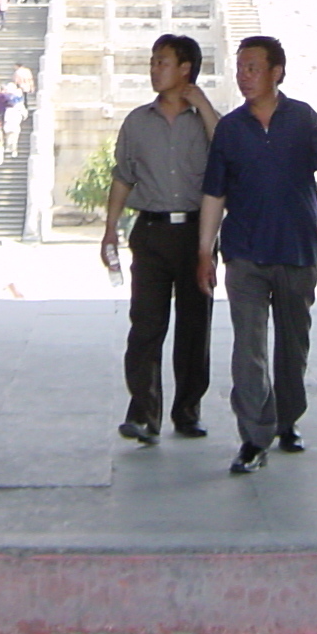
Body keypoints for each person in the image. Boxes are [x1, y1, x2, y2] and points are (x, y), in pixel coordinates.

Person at [197, 35, 317, 474]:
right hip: (244, 252)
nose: (244, 75)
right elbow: (213, 195)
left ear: (277, 72)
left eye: (253, 67)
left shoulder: (303, 119)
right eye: (240, 67)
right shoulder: (229, 129)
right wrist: (205, 251)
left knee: (292, 345)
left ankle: (287, 420)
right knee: (249, 348)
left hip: (298, 249)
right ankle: (254, 436)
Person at [102, 34, 221, 444]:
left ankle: (187, 411)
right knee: (146, 324)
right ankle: (143, 413)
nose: (154, 69)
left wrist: (202, 103)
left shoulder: (206, 121)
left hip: (195, 233)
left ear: (185, 68)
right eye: (153, 61)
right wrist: (109, 230)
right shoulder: (137, 121)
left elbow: (227, 152)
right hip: (149, 231)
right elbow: (122, 176)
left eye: (163, 62)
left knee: (194, 327)